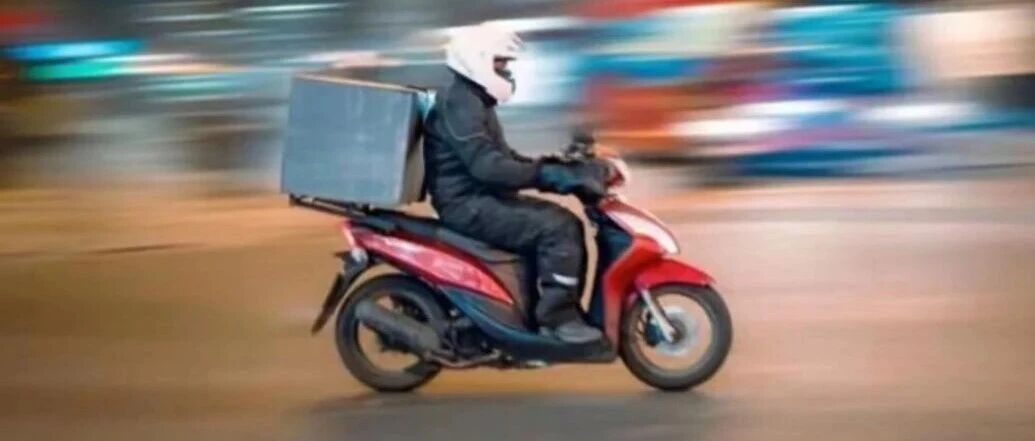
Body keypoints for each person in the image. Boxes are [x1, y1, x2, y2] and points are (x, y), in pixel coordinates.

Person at [423, 23, 606, 344]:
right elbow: (488, 167)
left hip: (479, 197)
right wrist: (547, 175)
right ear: (477, 59)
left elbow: (504, 158)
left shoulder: (473, 99)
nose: (506, 72)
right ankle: (557, 319)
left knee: (557, 220)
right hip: (468, 204)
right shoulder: (461, 103)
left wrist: (557, 168)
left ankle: (534, 312)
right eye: (500, 63)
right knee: (558, 227)